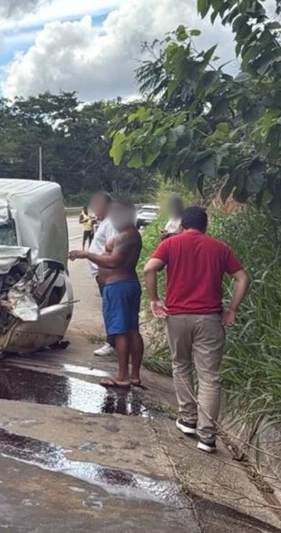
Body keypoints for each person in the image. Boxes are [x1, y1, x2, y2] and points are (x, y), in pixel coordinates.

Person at [143, 207, 250, 454]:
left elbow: (149, 269)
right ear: (205, 227)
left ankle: (188, 419)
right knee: (209, 377)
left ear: (182, 225)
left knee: (180, 365)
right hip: (210, 319)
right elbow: (243, 278)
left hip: (177, 316)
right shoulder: (219, 247)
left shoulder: (171, 244)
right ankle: (207, 437)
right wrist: (231, 309)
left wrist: (154, 299)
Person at [70, 202, 143, 387]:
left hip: (118, 286)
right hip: (127, 284)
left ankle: (123, 376)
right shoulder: (131, 234)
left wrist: (85, 254)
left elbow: (112, 261)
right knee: (132, 330)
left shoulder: (125, 236)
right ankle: (133, 375)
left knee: (120, 331)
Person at [85, 192, 118, 356]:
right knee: (108, 308)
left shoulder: (112, 223)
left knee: (110, 309)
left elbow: (113, 250)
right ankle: (113, 340)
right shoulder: (105, 222)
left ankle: (112, 342)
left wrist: (88, 256)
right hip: (102, 274)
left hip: (107, 274)